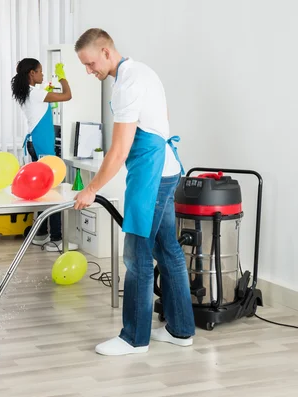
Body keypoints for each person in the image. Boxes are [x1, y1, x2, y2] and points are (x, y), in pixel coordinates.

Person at [73, 28, 195, 356]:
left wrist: (91, 189)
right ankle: (182, 330)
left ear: (106, 51)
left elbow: (119, 150)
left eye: (90, 63)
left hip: (152, 177)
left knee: (136, 254)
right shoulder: (143, 71)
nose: (89, 71)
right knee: (168, 249)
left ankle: (134, 338)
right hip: (168, 171)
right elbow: (162, 121)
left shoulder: (127, 84)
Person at [11, 58, 78, 252]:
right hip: (41, 144)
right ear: (32, 73)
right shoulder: (36, 94)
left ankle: (40, 234)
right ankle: (56, 239)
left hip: (35, 142)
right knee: (51, 189)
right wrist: (61, 77)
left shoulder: (29, 93)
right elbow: (67, 95)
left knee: (41, 190)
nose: (42, 75)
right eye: (40, 72)